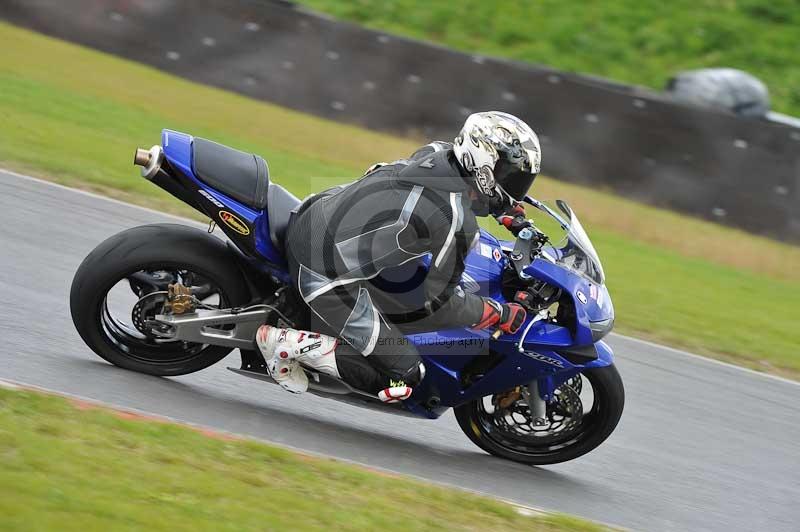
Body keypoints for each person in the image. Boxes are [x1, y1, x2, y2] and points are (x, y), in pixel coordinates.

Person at [256, 111, 541, 402]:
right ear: (485, 169)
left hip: (312, 213)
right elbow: (439, 303)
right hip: (322, 274)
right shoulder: (455, 222)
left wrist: (505, 210)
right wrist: (496, 312)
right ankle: (284, 345)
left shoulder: (437, 152)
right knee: (406, 373)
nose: (516, 190)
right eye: (512, 179)